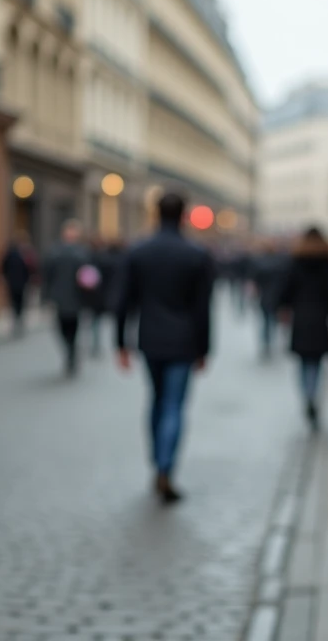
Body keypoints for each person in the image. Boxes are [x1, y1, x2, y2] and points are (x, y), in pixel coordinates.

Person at [115, 192, 214, 504]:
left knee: (156, 402)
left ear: (155, 213)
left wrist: (120, 343)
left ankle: (157, 461)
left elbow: (124, 302)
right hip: (183, 341)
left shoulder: (139, 252)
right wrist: (204, 348)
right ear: (184, 215)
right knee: (174, 406)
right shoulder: (196, 254)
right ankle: (165, 467)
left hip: (150, 338)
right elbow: (203, 309)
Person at [279, 228, 328, 431]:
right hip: (320, 318)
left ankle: (307, 396)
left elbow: (286, 290)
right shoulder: (326, 262)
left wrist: (284, 307)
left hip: (300, 317)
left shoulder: (296, 261)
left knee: (302, 363)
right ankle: (313, 394)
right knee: (316, 363)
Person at [43, 220, 90, 376]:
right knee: (62, 326)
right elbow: (47, 275)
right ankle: (70, 349)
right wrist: (46, 295)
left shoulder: (81, 252)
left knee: (73, 326)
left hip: (75, 296)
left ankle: (71, 350)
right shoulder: (56, 252)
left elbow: (88, 275)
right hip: (62, 296)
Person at [248, 239, 290, 361]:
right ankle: (271, 342)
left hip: (265, 297)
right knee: (274, 321)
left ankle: (266, 344)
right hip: (277, 297)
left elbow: (254, 282)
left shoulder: (260, 263)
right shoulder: (281, 263)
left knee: (266, 322)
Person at [1, 231, 35, 336]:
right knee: (17, 301)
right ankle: (17, 318)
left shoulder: (24, 253)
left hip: (19, 282)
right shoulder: (18, 253)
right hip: (17, 282)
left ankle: (18, 318)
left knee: (18, 301)